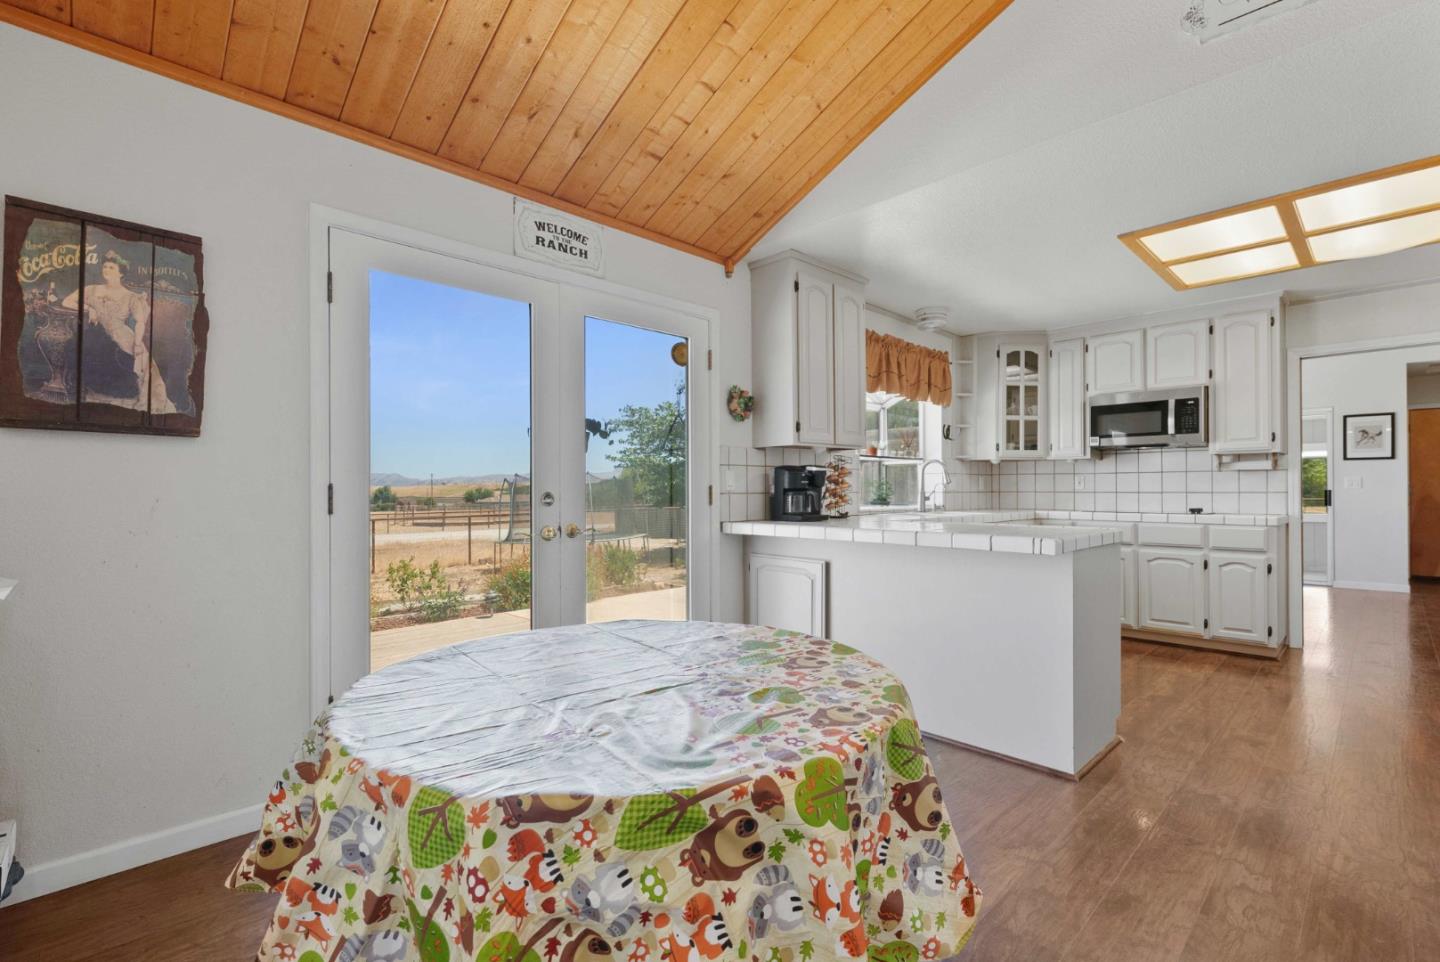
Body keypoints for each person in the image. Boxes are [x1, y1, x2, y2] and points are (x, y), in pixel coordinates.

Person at [63, 250, 174, 412]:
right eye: (105, 267)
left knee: (139, 362)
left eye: (111, 268)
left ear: (121, 273)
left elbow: (140, 322)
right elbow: (67, 301)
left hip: (121, 336)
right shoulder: (92, 290)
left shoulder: (131, 296)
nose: (106, 270)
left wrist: (137, 343)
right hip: (97, 335)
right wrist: (88, 308)